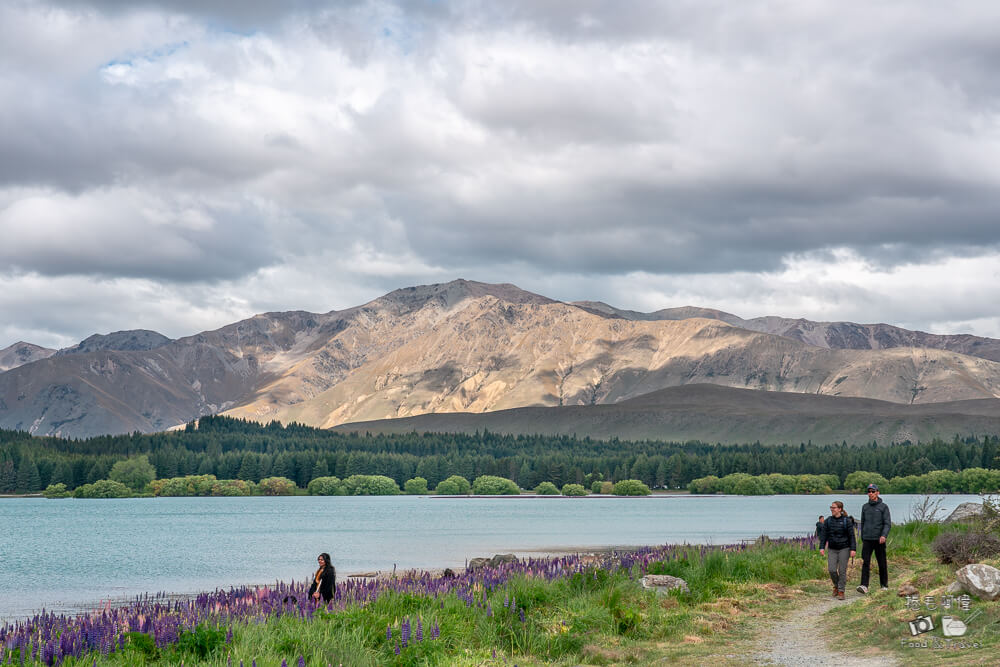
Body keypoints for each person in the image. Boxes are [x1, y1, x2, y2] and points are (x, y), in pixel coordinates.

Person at [857, 484, 891, 594]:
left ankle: (884, 585)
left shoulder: (883, 507)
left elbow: (887, 524)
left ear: (877, 492)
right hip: (867, 539)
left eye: (873, 491)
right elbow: (862, 523)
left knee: (882, 562)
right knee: (865, 562)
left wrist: (883, 535)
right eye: (869, 491)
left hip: (879, 539)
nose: (870, 493)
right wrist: (862, 536)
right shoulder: (864, 507)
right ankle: (864, 585)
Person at [819, 501, 856, 599]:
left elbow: (852, 536)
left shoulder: (846, 521)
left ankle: (841, 591)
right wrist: (822, 547)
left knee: (842, 570)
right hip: (832, 548)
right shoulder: (828, 521)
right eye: (831, 507)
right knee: (831, 570)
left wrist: (853, 549)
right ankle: (836, 585)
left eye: (834, 507)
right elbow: (824, 535)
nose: (832, 509)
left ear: (840, 509)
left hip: (845, 548)